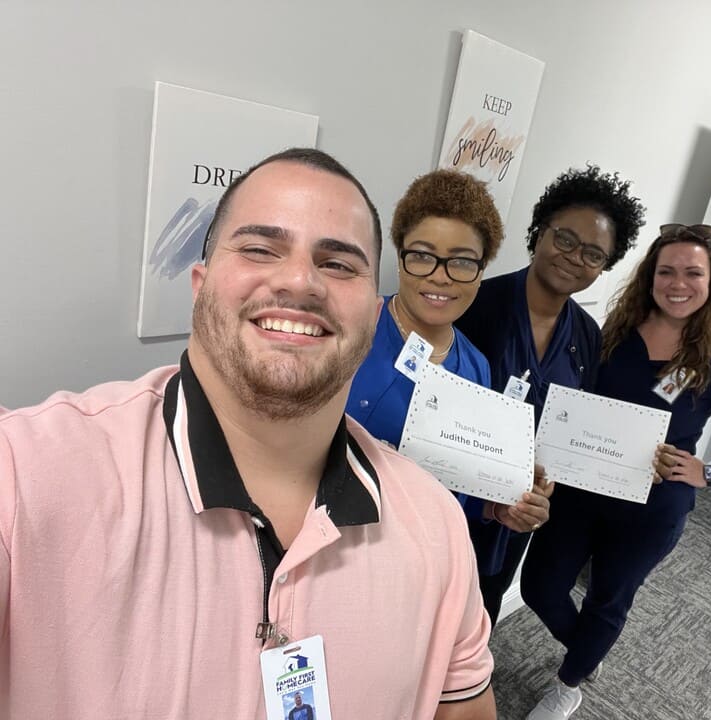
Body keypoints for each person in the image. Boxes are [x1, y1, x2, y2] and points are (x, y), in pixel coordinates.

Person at [0, 149, 496, 719]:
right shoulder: (28, 475)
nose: (300, 280)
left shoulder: (438, 529)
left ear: (370, 311)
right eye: (260, 249)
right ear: (200, 284)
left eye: (338, 264)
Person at [520, 224, 711, 719]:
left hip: (651, 508)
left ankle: (569, 683)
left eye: (693, 273)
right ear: (650, 277)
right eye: (666, 271)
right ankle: (587, 650)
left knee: (608, 601)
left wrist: (709, 473)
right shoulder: (612, 334)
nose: (678, 283)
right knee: (539, 587)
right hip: (579, 491)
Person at [456, 165, 647, 624]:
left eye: (593, 253)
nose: (574, 257)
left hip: (520, 510)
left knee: (483, 608)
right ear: (540, 231)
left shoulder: (587, 335)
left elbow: (574, 429)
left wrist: (635, 458)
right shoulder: (475, 305)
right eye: (565, 239)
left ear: (604, 265)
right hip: (455, 499)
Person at [346, 170, 551, 542]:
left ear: (482, 270)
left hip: (423, 553)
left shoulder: (476, 368)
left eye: (461, 261)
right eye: (423, 255)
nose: (441, 277)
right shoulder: (351, 329)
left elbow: (458, 490)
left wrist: (501, 507)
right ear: (400, 256)